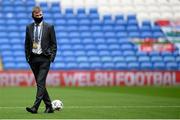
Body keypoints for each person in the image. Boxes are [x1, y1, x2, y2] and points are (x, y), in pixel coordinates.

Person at [25, 6, 57, 113]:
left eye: (41, 15)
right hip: (33, 59)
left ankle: (35, 107)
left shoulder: (49, 27)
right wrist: (27, 57)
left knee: (40, 82)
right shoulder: (29, 27)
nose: (39, 17)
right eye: (37, 15)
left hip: (44, 59)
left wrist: (51, 57)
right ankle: (49, 106)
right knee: (41, 84)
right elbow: (27, 43)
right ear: (33, 16)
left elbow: (54, 44)